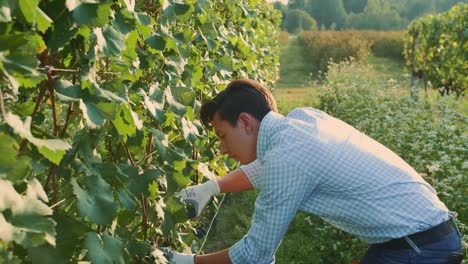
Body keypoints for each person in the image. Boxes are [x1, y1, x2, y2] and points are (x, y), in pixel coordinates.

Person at [161, 79, 464, 264]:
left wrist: (188, 262)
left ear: (245, 121)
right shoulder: (300, 122)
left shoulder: (287, 158)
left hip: (419, 250)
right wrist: (211, 187)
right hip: (424, 237)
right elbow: (268, 170)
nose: (223, 150)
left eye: (223, 136)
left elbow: (254, 255)